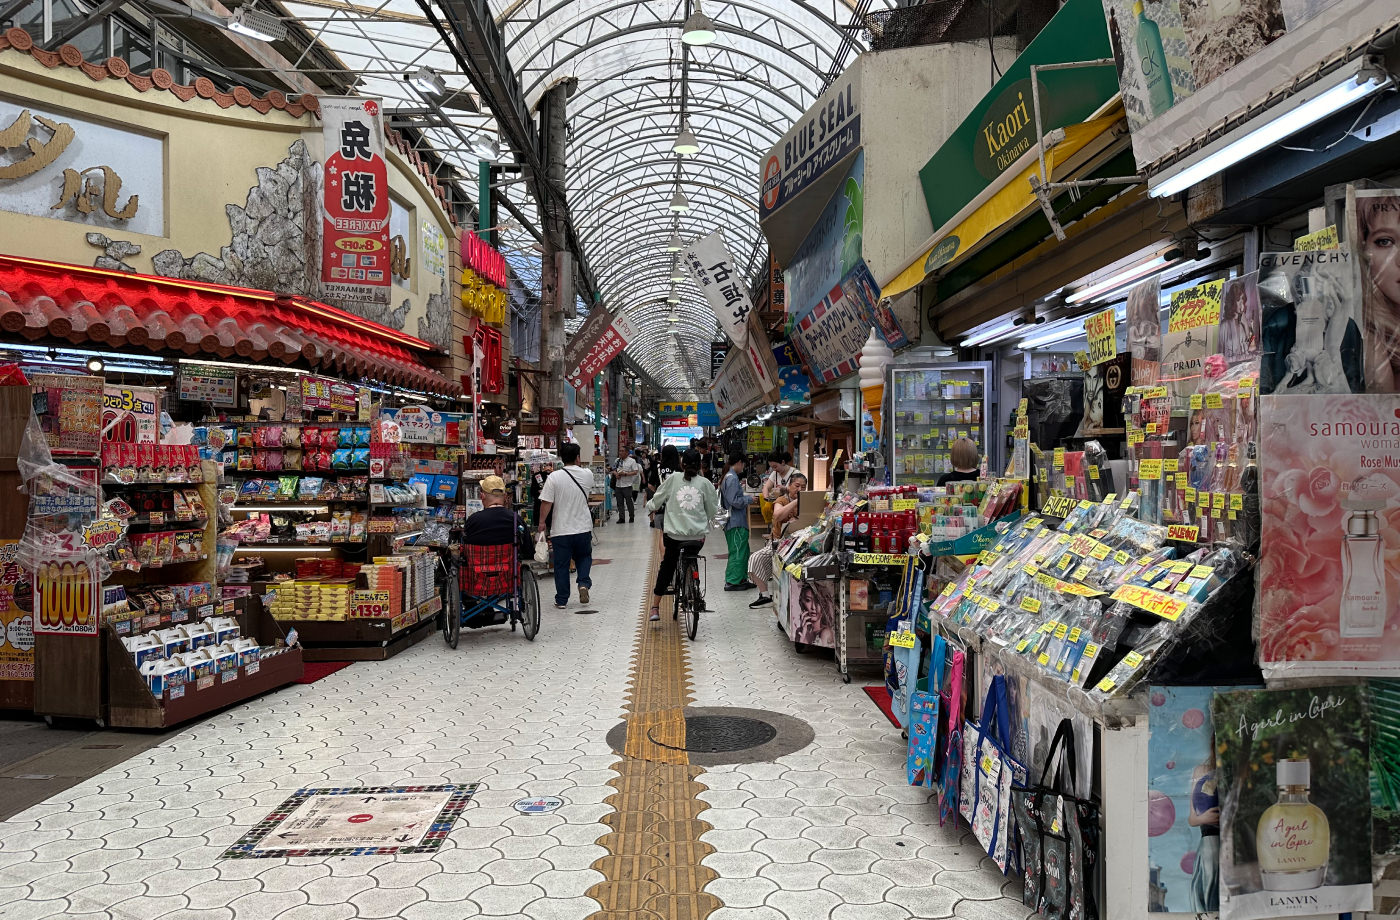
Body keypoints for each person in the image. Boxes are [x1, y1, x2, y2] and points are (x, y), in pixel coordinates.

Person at [645, 448, 719, 622]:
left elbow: (657, 499)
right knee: (692, 556)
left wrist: (649, 506)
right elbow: (712, 510)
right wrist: (700, 520)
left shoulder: (673, 479)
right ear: (700, 464)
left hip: (674, 537)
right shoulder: (705, 483)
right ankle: (694, 587)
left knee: (668, 566)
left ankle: (655, 607)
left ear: (682, 463)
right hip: (697, 537)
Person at [536, 442, 594, 609]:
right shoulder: (587, 474)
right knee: (584, 557)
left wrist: (541, 523)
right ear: (578, 457)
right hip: (583, 527)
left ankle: (562, 600)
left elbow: (546, 503)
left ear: (561, 458)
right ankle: (583, 583)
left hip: (560, 530)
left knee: (561, 565)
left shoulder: (554, 477)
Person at [748, 472, 807, 609]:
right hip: (779, 544)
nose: (799, 490)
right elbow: (777, 515)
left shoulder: (808, 501)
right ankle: (764, 596)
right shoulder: (782, 500)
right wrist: (796, 502)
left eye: (803, 487)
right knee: (755, 559)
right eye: (797, 486)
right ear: (789, 486)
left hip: (800, 545)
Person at [461, 476, 532, 559]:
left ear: (482, 496)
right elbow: (529, 551)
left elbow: (465, 550)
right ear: (505, 497)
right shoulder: (516, 519)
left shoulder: (473, 520)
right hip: (509, 570)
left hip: (478, 570)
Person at [720, 452, 755, 592]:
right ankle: (732, 581)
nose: (744, 467)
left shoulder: (729, 476)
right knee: (737, 551)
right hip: (735, 521)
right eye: (744, 464)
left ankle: (741, 578)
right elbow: (734, 501)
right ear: (739, 462)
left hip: (736, 521)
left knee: (743, 550)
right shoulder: (732, 479)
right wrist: (749, 499)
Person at [646, 444, 681, 531]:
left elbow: (650, 485)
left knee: (662, 534)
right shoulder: (679, 468)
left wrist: (659, 492)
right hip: (677, 505)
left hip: (661, 505)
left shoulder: (658, 468)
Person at [759, 450, 795, 524]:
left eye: (775, 467)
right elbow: (766, 487)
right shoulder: (774, 473)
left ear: (783, 462)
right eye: (772, 467)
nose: (774, 469)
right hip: (778, 503)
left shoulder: (795, 474)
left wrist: (785, 489)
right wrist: (766, 498)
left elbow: (799, 491)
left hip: (790, 505)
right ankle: (772, 532)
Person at [613, 448, 641, 523]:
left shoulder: (632, 461)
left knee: (629, 502)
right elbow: (614, 469)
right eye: (620, 451)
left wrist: (625, 474)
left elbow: (635, 472)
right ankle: (621, 518)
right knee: (619, 502)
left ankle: (631, 516)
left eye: (622, 451)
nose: (620, 452)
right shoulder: (617, 460)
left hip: (627, 485)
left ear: (627, 452)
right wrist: (616, 474)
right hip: (618, 485)